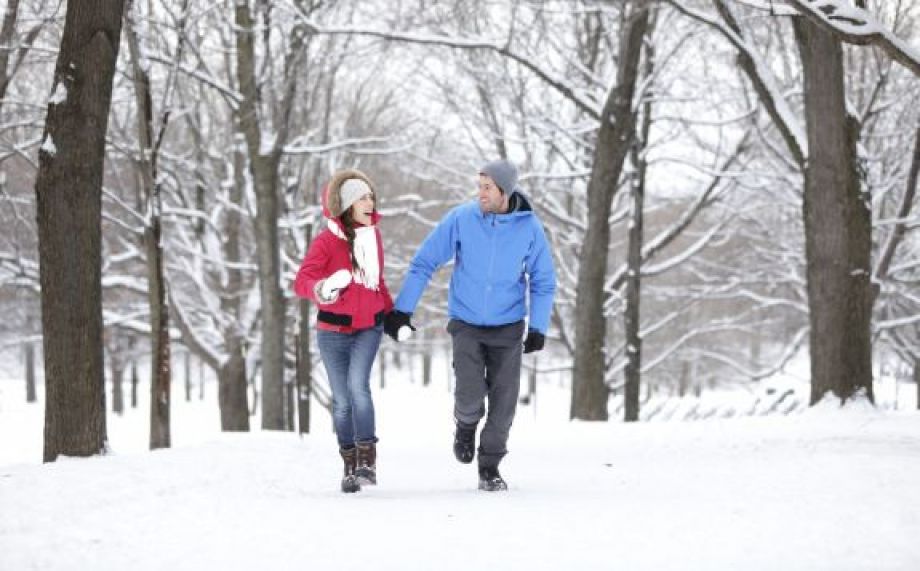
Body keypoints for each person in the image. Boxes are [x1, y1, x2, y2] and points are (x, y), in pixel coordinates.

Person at [385, 159, 556, 491]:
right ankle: (465, 425)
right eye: (479, 186)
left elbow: (543, 280)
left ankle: (489, 466)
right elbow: (425, 262)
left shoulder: (529, 228)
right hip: (465, 322)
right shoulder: (462, 219)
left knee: (505, 402)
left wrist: (538, 327)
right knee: (469, 393)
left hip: (508, 325)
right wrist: (402, 311)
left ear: (505, 191)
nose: (480, 193)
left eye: (487, 187)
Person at [294, 169, 393, 494]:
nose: (371, 202)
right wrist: (322, 288)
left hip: (368, 328)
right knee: (342, 403)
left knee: (357, 387)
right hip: (332, 332)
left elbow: (377, 283)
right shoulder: (325, 243)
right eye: (363, 197)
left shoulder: (372, 237)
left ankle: (368, 459)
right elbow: (302, 280)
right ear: (348, 205)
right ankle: (349, 464)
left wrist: (393, 316)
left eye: (371, 196)